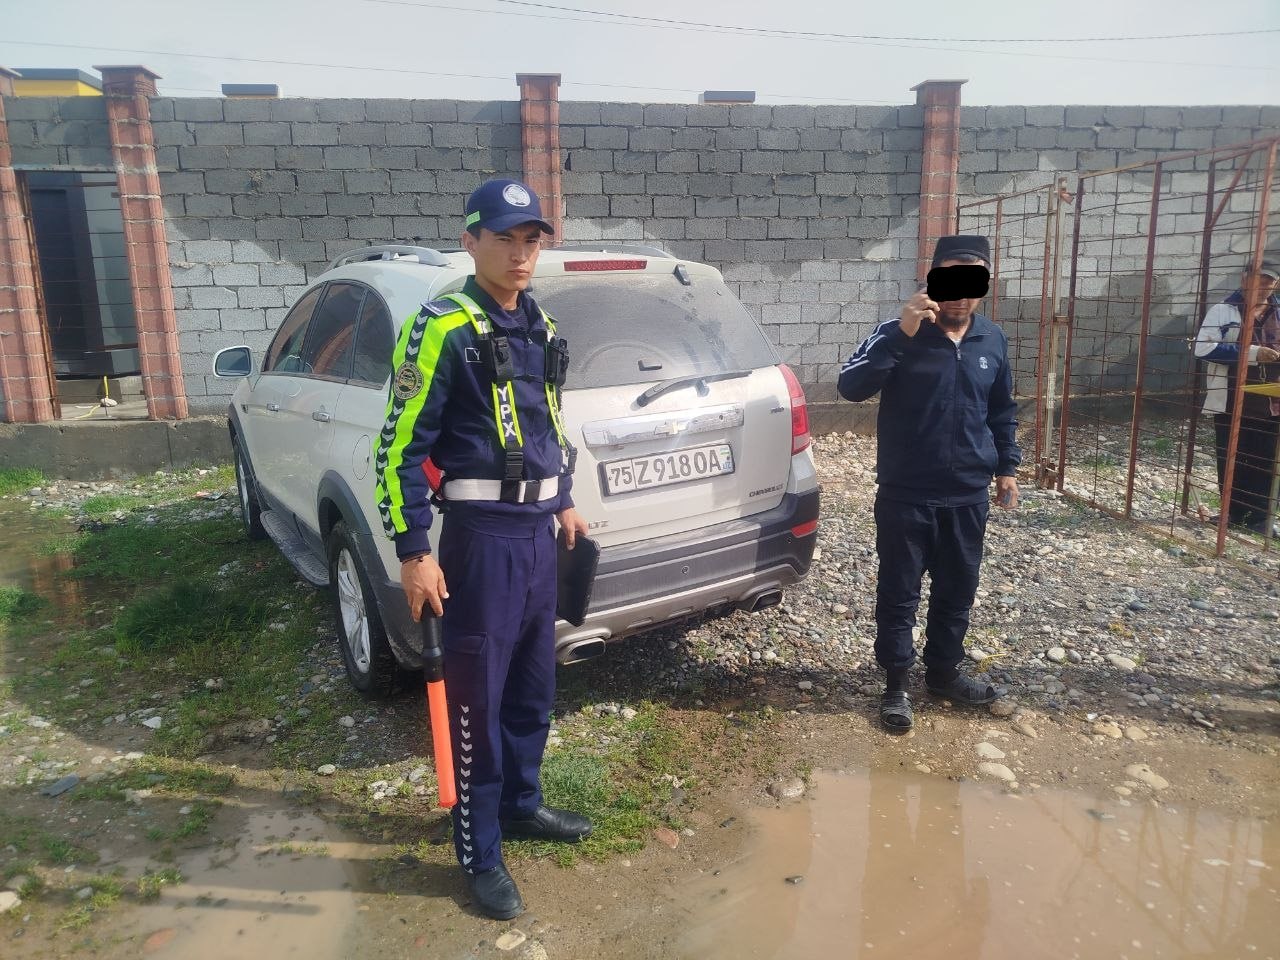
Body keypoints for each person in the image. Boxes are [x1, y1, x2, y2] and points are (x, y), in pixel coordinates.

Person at [374, 177, 591, 920]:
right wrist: (414, 551)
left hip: (538, 539)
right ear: (470, 241)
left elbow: (546, 425)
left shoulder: (542, 325)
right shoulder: (440, 328)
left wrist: (563, 500)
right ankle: (479, 848)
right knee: (479, 701)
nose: (520, 253)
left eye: (531, 240)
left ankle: (521, 805)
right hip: (481, 545)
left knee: (532, 688)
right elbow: (398, 448)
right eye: (504, 238)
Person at [837, 235, 1021, 733]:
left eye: (972, 282)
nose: (960, 294)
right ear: (931, 279)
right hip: (907, 492)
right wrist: (902, 333)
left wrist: (1006, 467)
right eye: (950, 280)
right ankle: (896, 684)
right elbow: (851, 387)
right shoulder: (897, 332)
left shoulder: (992, 339)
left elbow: (1001, 409)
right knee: (899, 591)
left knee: (957, 589)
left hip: (967, 494)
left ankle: (943, 674)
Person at [1193, 256, 1280, 537]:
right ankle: (1232, 512)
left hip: (1273, 401)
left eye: (1269, 281)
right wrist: (1253, 354)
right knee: (1232, 457)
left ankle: (1261, 518)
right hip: (1233, 399)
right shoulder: (1224, 310)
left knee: (1267, 460)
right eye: (1258, 279)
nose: (1263, 286)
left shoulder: (1278, 312)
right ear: (1244, 279)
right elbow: (1203, 349)